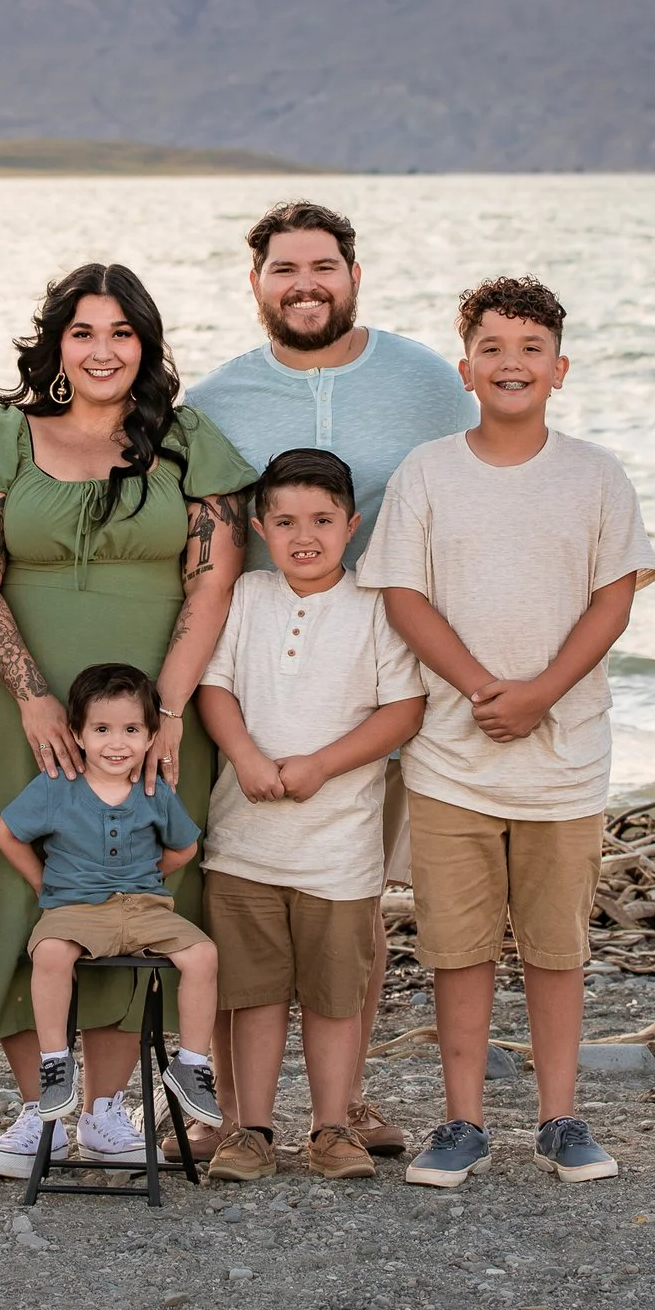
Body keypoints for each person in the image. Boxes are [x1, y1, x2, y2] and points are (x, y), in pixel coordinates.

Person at [0, 264, 256, 1175]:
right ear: (57, 344)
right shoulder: (6, 434)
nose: (104, 350)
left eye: (122, 332)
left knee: (139, 889)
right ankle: (38, 1107)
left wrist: (167, 709)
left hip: (155, 714)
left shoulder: (189, 440)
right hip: (20, 707)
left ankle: (110, 1112)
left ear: (147, 344)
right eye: (84, 331)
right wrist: (32, 693)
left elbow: (214, 578)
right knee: (20, 892)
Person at [359, 275, 655, 1190]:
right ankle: (461, 1123)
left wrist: (542, 693)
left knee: (556, 946)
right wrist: (486, 687)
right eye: (492, 348)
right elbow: (403, 595)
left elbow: (615, 599)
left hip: (566, 758)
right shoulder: (428, 473)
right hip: (452, 757)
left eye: (531, 349)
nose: (511, 364)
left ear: (560, 369)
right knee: (458, 947)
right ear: (465, 368)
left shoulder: (594, 475)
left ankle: (562, 1119)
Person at [187, 199, 475, 1158]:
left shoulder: (429, 382)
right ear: (257, 282)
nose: (304, 284)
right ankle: (249, 1119)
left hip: (382, 657)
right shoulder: (220, 399)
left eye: (322, 267)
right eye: (283, 269)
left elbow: (470, 490)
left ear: (354, 276)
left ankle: (344, 1105)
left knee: (354, 897)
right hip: (259, 667)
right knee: (258, 924)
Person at [191, 449, 426, 1181]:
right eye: (286, 520)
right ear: (260, 527)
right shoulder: (249, 596)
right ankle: (250, 1130)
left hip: (338, 852)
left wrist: (322, 764)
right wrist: (248, 756)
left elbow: (405, 709)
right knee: (252, 995)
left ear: (352, 526)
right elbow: (214, 686)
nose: (305, 535)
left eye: (323, 521)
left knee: (333, 997)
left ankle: (332, 1127)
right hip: (244, 844)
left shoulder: (375, 605)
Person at [0, 663, 225, 1131]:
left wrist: (147, 876)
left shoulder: (152, 789)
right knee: (51, 952)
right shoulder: (58, 787)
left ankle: (193, 1065)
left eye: (131, 730)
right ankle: (56, 1062)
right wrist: (43, 883)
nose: (117, 743)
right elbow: (6, 832)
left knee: (202, 954)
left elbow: (184, 847)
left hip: (144, 907)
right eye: (102, 729)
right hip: (74, 908)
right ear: (76, 734)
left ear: (150, 735)